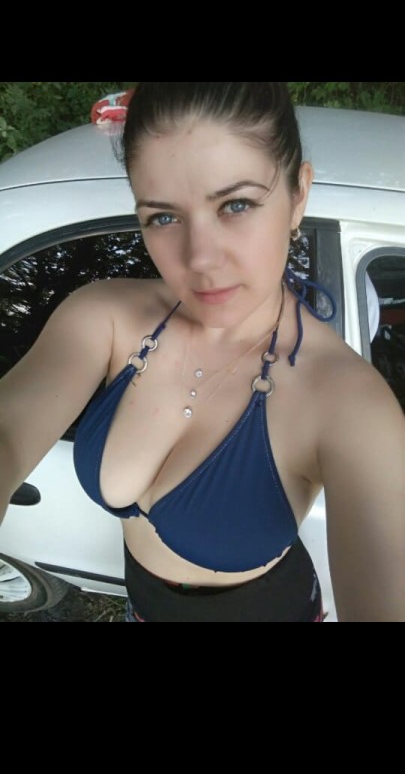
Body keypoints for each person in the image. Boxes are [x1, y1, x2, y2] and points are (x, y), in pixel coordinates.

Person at [0, 82, 404, 622]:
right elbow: (8, 432)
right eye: (163, 217)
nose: (201, 259)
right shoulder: (105, 317)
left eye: (236, 204)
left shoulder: (348, 405)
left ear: (298, 195)